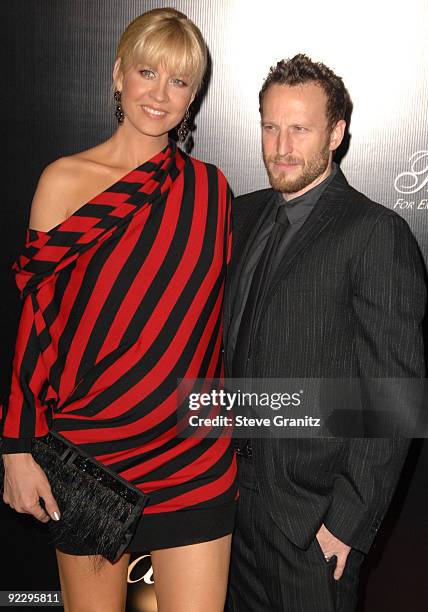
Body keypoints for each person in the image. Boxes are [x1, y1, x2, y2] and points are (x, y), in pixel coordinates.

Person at [0, 8, 237, 612]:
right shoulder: (64, 180)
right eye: (147, 72)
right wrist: (15, 447)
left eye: (180, 81)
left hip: (193, 456)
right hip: (89, 456)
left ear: (194, 97)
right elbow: (35, 326)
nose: (160, 94)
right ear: (117, 75)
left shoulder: (211, 191)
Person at [224, 54, 426, 611]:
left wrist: (345, 523)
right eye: (270, 126)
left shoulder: (375, 233)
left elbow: (393, 395)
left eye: (300, 129)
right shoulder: (240, 216)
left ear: (335, 134)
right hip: (227, 508)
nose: (281, 146)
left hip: (311, 524)